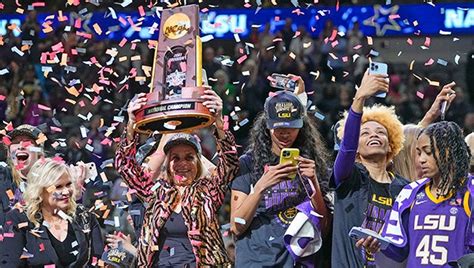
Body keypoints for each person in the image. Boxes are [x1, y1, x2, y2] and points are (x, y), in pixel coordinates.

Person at [115, 89, 239, 267]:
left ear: (198, 162)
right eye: (176, 158)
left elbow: (230, 165)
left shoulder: (208, 192)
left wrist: (219, 122)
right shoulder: (155, 194)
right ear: (168, 164)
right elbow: (125, 166)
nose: (182, 164)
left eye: (189, 157)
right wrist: (131, 124)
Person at [230, 90, 331, 267]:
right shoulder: (247, 164)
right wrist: (262, 186)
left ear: (301, 126)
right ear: (267, 126)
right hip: (256, 260)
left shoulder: (312, 164)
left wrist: (313, 183)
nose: (285, 133)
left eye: (292, 126)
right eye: (278, 127)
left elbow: (323, 228)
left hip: (297, 260)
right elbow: (237, 225)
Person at [364, 121, 473, 268]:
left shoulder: (470, 191)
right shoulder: (410, 193)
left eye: (428, 152)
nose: (421, 159)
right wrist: (377, 245)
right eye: (419, 152)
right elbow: (398, 249)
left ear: (448, 151)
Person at [331, 70, 409, 267]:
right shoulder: (347, 177)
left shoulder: (406, 189)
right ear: (355, 146)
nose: (373, 135)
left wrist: (384, 247)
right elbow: (346, 147)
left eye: (380, 132)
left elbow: (404, 248)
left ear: (391, 144)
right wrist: (360, 98)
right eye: (364, 133)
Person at [0, 158, 104, 267]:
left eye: (68, 184)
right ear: (40, 190)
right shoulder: (19, 219)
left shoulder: (84, 217)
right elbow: (9, 264)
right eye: (58, 187)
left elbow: (97, 262)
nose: (66, 191)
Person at [392, 82, 457, 181]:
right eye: (426, 152)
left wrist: (431, 115)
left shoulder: (441, 189)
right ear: (404, 158)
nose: (436, 157)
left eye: (429, 152)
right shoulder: (392, 190)